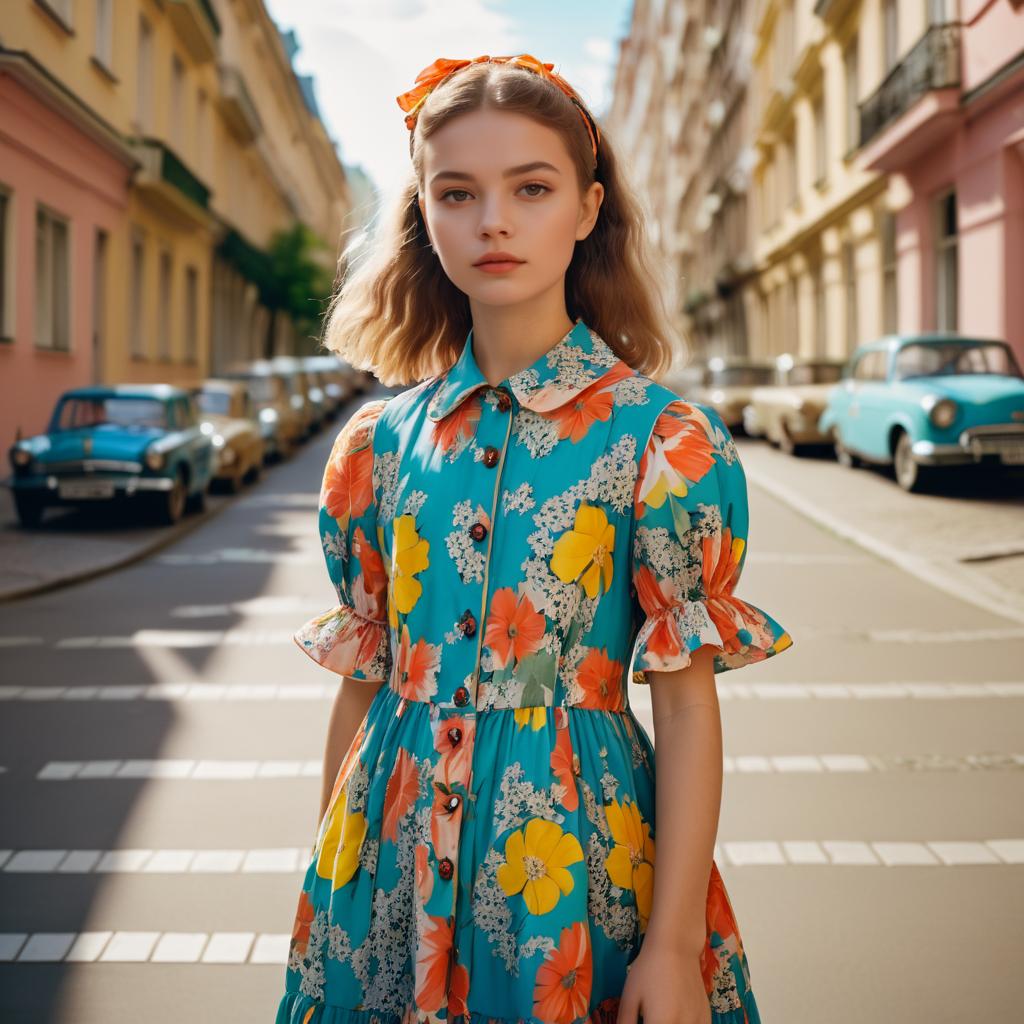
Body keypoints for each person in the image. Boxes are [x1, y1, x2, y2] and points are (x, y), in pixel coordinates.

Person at [275, 54, 794, 1024]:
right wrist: (331, 895)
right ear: (425, 215)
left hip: (574, 871)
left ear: (589, 207)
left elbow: (684, 713)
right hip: (384, 873)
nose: (493, 221)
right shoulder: (376, 446)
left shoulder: (661, 440)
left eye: (531, 187)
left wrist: (674, 942)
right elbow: (363, 684)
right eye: (457, 192)